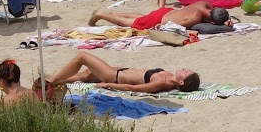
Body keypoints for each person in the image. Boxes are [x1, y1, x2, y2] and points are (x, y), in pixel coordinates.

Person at [46, 51, 200, 94]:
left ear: (181, 82)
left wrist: (108, 84)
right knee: (85, 74)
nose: (185, 69)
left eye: (186, 73)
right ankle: (58, 79)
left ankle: (50, 81)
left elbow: (132, 88)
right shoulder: (168, 75)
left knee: (82, 56)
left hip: (114, 76)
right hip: (119, 70)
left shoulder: (161, 83)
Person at [86, 3, 232, 31]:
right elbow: (177, 26)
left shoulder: (205, 5)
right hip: (161, 20)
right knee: (133, 23)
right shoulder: (195, 16)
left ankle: (113, 14)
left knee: (142, 17)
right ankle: (101, 15)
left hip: (167, 11)